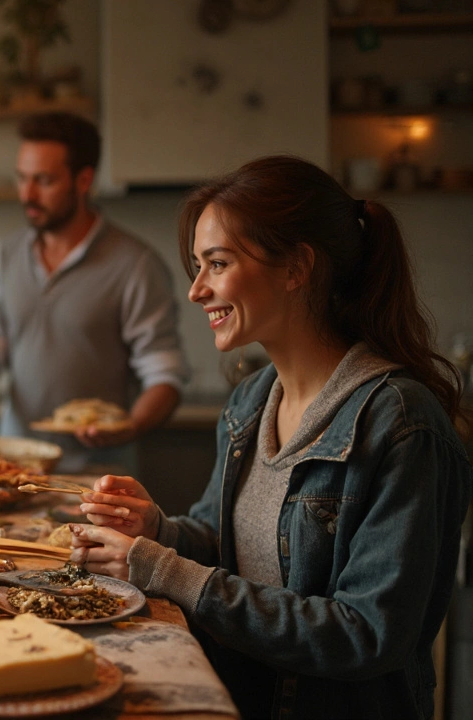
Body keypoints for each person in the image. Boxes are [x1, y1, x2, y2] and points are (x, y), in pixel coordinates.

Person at [69, 155, 472, 719]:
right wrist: (156, 529)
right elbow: (221, 542)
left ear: (296, 268)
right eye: (198, 266)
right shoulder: (253, 401)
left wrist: (165, 571)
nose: (197, 291)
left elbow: (366, 634)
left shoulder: (401, 424)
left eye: (217, 263)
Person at [0, 112, 188, 473]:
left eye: (44, 180)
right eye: (22, 178)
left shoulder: (134, 265)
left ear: (83, 180)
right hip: (16, 466)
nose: (27, 194)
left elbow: (164, 375)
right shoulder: (5, 257)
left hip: (97, 474)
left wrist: (132, 426)